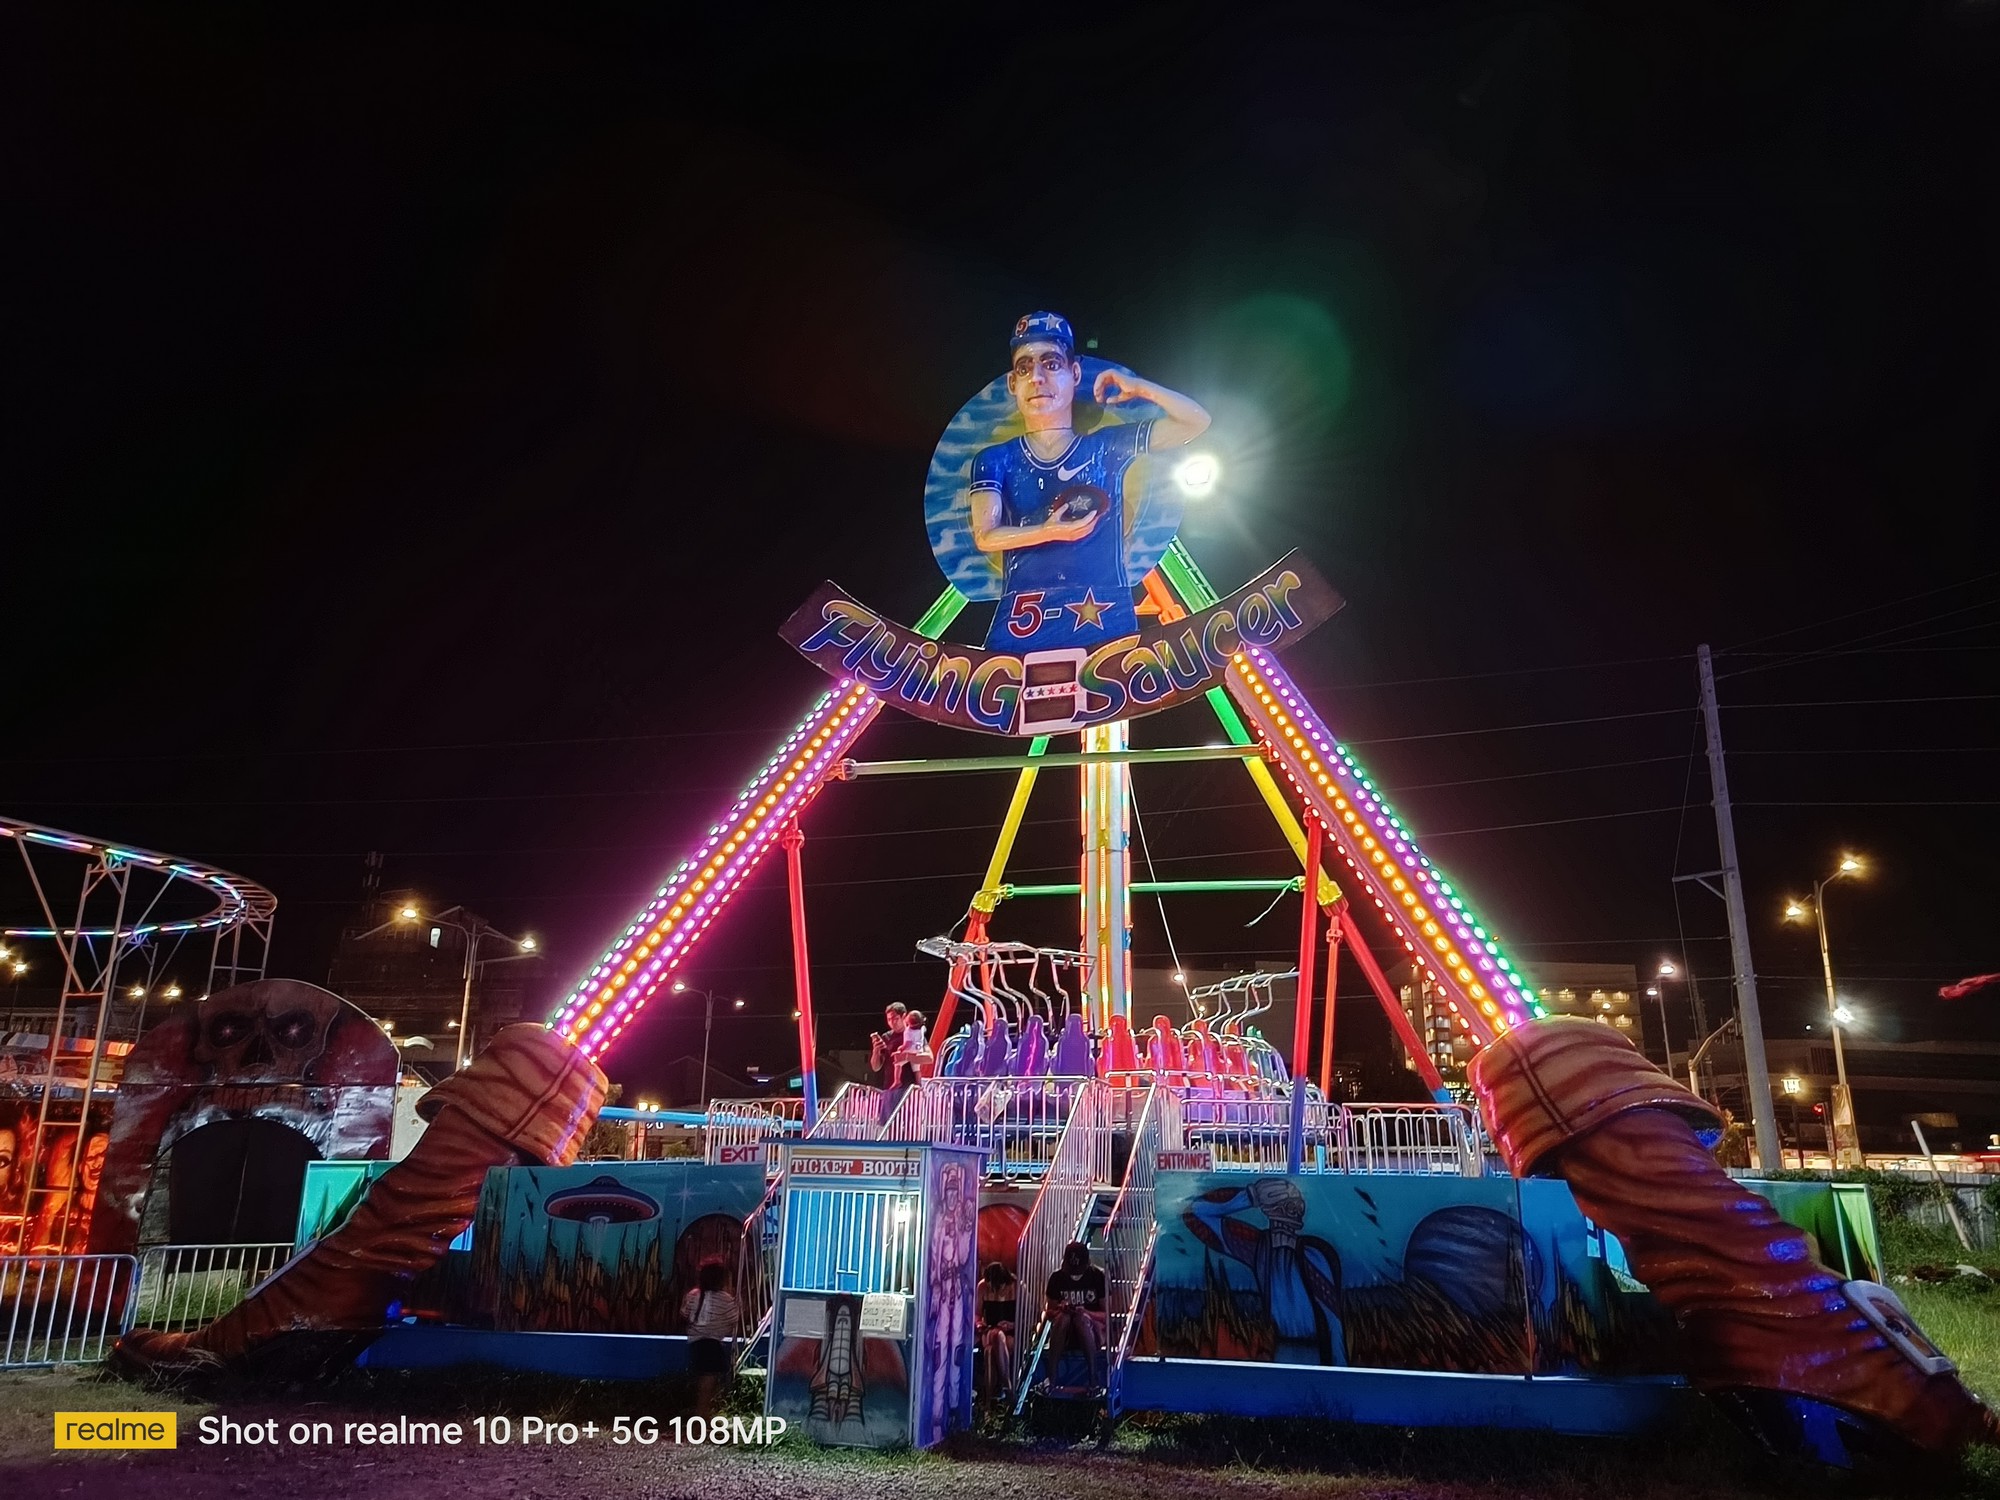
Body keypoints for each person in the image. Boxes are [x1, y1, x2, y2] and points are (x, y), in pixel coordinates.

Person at [971, 311, 1210, 652]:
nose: (1036, 378)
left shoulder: (1107, 446)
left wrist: (1140, 388)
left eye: (1051, 364)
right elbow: (985, 536)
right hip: (1022, 618)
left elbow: (1196, 422)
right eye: (1024, 368)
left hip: (1104, 611)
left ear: (1074, 373)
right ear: (1013, 383)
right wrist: (1049, 531)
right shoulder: (995, 459)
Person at [1043, 1239, 1108, 1392]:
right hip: (1065, 1333)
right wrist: (1061, 1309)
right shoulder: (1057, 1278)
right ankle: (1051, 1378)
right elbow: (1049, 1313)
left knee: (1081, 1319)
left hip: (1091, 1331)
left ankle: (1093, 1378)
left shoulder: (1097, 1276)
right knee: (1063, 1318)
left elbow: (1106, 1315)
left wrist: (1086, 1312)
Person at [681, 1256, 740, 1419]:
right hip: (713, 1344)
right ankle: (702, 1415)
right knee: (709, 1381)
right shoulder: (725, 1299)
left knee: (702, 1379)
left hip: (695, 1343)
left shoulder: (693, 1295)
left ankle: (702, 1413)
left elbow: (684, 1314)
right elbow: (734, 1318)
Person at [976, 1261, 1018, 1406]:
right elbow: (977, 1314)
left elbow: (1030, 1314)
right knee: (996, 1334)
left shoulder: (1017, 1287)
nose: (994, 1290)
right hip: (989, 1330)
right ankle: (1007, 1384)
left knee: (989, 1352)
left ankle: (988, 1403)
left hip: (1011, 1333)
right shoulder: (982, 1287)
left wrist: (1012, 1324)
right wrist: (979, 1324)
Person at [870, 1002, 912, 1090]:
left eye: (895, 1019)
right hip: (889, 1087)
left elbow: (928, 1059)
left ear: (904, 1016)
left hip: (908, 1087)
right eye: (889, 1019)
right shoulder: (886, 1037)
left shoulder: (914, 1034)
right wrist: (876, 1050)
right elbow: (875, 1067)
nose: (892, 1022)